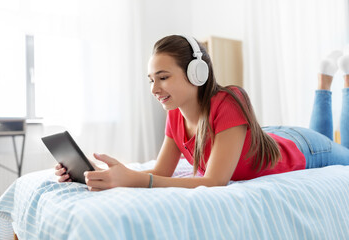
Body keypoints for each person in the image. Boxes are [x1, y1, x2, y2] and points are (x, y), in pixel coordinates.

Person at [54, 35, 349, 191]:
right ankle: (325, 82)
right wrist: (113, 175)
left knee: (342, 150)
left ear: (197, 73)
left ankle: (340, 82)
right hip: (271, 136)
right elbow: (160, 173)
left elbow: (214, 182)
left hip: (303, 146)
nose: (154, 88)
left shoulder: (229, 100)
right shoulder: (175, 113)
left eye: (163, 77)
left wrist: (135, 180)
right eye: (151, 80)